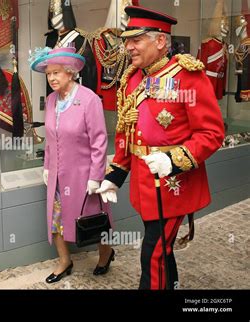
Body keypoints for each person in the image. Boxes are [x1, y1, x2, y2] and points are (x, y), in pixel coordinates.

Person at [96, 6, 225, 290]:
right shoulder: (132, 78)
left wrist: (174, 160)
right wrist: (115, 175)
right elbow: (127, 132)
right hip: (144, 186)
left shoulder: (188, 77)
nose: (128, 46)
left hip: (174, 186)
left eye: (136, 39)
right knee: (162, 249)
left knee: (152, 254)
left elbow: (212, 133)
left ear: (160, 41)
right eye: (126, 40)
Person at [30, 46, 115, 283]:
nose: (52, 78)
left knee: (93, 218)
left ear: (70, 72)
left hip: (83, 174)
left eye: (57, 72)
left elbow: (100, 140)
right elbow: (50, 138)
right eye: (49, 74)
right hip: (57, 174)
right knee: (55, 219)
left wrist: (96, 176)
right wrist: (47, 166)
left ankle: (106, 252)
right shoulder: (50, 100)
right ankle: (64, 261)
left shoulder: (89, 99)